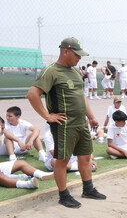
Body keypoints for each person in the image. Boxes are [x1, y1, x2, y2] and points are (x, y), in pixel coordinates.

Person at [27, 37, 106, 208]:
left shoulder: (76, 71)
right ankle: (63, 195)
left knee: (85, 157)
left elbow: (81, 95)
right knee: (63, 160)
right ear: (65, 51)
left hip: (81, 123)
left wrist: (91, 116)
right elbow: (32, 94)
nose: (79, 58)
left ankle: (88, 189)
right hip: (65, 125)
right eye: (77, 54)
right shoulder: (52, 71)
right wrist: (47, 117)